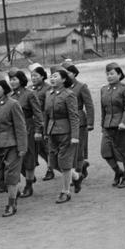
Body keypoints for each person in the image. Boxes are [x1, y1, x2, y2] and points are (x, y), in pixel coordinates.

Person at [0, 75, 28, 217]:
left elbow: (20, 127)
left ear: (4, 89)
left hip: (12, 145)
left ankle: (11, 203)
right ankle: (14, 189)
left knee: (11, 175)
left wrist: (22, 148)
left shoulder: (13, 104)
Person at [43, 68, 81, 203]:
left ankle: (65, 191)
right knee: (53, 162)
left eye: (55, 76)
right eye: (51, 76)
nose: (52, 79)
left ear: (64, 79)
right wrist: (45, 132)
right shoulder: (49, 94)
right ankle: (76, 176)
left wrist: (75, 135)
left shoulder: (69, 94)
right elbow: (46, 114)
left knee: (64, 162)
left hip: (66, 132)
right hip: (52, 132)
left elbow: (74, 116)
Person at [99, 62, 125, 188]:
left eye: (112, 74)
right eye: (107, 74)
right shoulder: (104, 89)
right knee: (105, 151)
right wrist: (103, 125)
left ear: (119, 74)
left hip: (122, 126)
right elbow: (103, 109)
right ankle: (118, 172)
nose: (109, 76)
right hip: (108, 126)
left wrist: (123, 122)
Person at [8, 69, 44, 198]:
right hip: (14, 131)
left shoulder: (29, 94)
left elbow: (38, 113)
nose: (12, 82)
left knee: (29, 157)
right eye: (10, 79)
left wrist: (38, 130)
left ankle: (29, 185)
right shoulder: (10, 97)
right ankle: (29, 177)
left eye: (14, 79)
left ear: (21, 80)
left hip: (28, 128)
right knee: (15, 157)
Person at [62, 62, 95, 193]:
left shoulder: (81, 87)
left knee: (79, 149)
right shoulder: (62, 88)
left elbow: (89, 105)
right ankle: (78, 169)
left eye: (68, 72)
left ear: (74, 73)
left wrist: (90, 122)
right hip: (66, 122)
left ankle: (78, 173)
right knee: (69, 149)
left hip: (80, 121)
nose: (65, 75)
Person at [28, 64, 54, 181]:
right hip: (32, 122)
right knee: (37, 148)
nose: (33, 78)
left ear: (43, 76)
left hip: (44, 121)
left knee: (47, 146)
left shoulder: (48, 88)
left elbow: (49, 106)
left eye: (36, 76)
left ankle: (50, 169)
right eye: (32, 76)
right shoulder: (29, 89)